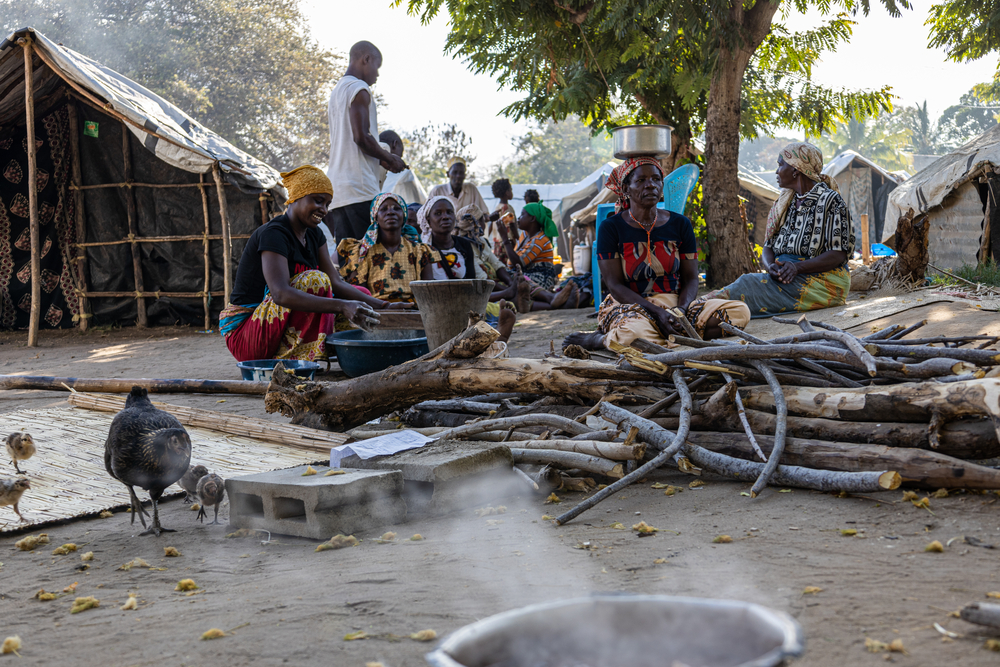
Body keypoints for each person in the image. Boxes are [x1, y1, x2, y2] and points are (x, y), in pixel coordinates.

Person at [563, 159, 750, 351]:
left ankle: (665, 334)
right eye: (641, 180)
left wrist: (681, 311)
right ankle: (598, 340)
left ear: (661, 185)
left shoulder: (679, 224)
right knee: (631, 336)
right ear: (626, 188)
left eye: (656, 179)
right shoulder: (611, 228)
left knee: (739, 312)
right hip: (632, 305)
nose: (650, 184)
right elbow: (615, 285)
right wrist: (657, 313)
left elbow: (691, 278)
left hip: (675, 303)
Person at [220, 166, 394, 362]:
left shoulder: (314, 234)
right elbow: (280, 294)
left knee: (362, 298)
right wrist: (342, 306)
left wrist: (385, 306)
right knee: (315, 281)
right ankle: (298, 359)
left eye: (327, 204)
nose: (324, 209)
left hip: (275, 328)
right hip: (247, 334)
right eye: (318, 201)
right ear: (296, 197)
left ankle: (328, 350)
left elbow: (336, 283)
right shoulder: (274, 233)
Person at [709, 143, 854, 317]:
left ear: (796, 170)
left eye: (780, 165)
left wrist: (797, 267)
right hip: (787, 277)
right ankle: (699, 311)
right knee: (742, 293)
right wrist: (771, 267)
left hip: (822, 283)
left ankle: (696, 310)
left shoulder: (831, 201)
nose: (777, 171)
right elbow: (768, 245)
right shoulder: (785, 204)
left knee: (745, 285)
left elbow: (838, 254)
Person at [326, 41, 406, 242]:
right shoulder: (359, 88)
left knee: (350, 261)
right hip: (360, 189)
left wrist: (381, 159)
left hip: (339, 191)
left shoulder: (337, 92)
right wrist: (390, 158)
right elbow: (361, 137)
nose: (377, 75)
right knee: (373, 258)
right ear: (366, 59)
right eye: (376, 68)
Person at [338, 192, 434, 302]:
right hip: (375, 311)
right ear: (375, 217)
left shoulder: (420, 251)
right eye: (383, 209)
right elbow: (359, 295)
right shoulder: (361, 251)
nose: (390, 212)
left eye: (396, 208)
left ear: (404, 216)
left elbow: (428, 293)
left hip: (413, 312)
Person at [379, 130, 427, 205]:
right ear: (395, 144)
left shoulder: (368, 165)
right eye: (400, 156)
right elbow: (416, 207)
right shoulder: (405, 175)